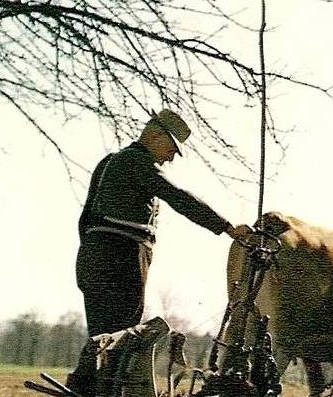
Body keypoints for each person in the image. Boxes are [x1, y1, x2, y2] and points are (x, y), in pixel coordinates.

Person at [75, 108, 252, 338]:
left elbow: (85, 219)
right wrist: (227, 227)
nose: (170, 158)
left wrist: (93, 252)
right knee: (119, 339)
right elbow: (178, 197)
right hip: (123, 257)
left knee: (101, 339)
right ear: (156, 137)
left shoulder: (110, 162)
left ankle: (89, 375)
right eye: (172, 150)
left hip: (93, 256)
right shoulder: (139, 162)